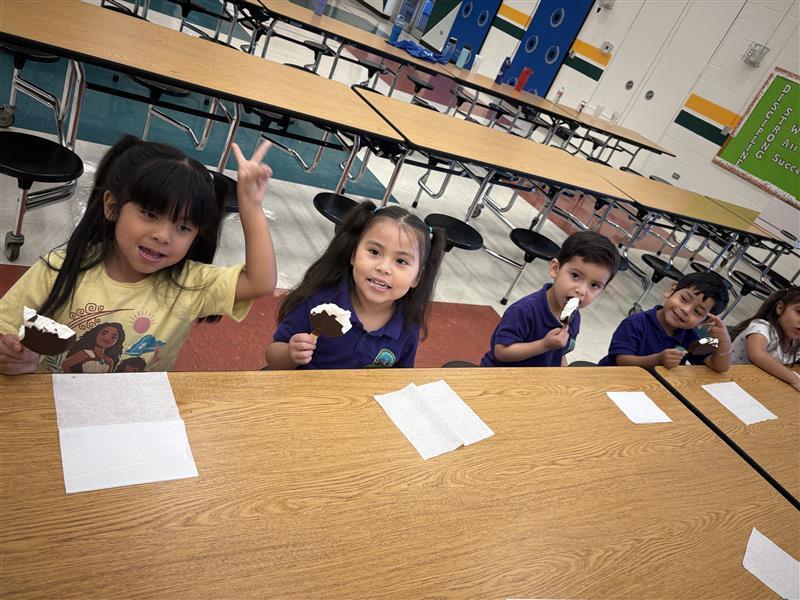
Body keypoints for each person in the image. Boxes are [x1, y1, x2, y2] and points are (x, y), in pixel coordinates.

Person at [0, 135, 277, 375]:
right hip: (48, 405)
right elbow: (5, 328)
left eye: (183, 227)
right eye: (150, 214)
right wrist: (11, 354)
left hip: (131, 416)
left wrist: (250, 204)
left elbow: (260, 282)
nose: (163, 235)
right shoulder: (58, 269)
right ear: (112, 206)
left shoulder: (189, 283)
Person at [266, 202, 445, 369]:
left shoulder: (408, 327)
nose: (383, 268)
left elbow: (399, 379)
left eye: (401, 261)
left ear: (417, 278)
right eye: (374, 252)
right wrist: (290, 354)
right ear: (353, 255)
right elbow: (273, 357)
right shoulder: (318, 303)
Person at [481, 231, 620, 367]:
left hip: (536, 381)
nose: (581, 291)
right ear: (555, 269)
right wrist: (544, 344)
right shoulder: (525, 310)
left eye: (594, 285)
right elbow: (501, 353)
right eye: (575, 276)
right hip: (499, 377)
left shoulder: (574, 317)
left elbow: (559, 352)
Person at [598, 272, 731, 371]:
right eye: (684, 299)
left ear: (703, 322)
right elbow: (622, 361)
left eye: (697, 312)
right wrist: (658, 359)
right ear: (671, 290)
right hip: (611, 378)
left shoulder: (690, 336)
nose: (685, 310)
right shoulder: (635, 322)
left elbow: (719, 367)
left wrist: (724, 340)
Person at [729, 286, 800, 392]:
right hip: (728, 380)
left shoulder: (795, 341)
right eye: (799, 312)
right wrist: (795, 380)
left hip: (754, 384)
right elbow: (757, 355)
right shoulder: (762, 328)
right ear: (780, 308)